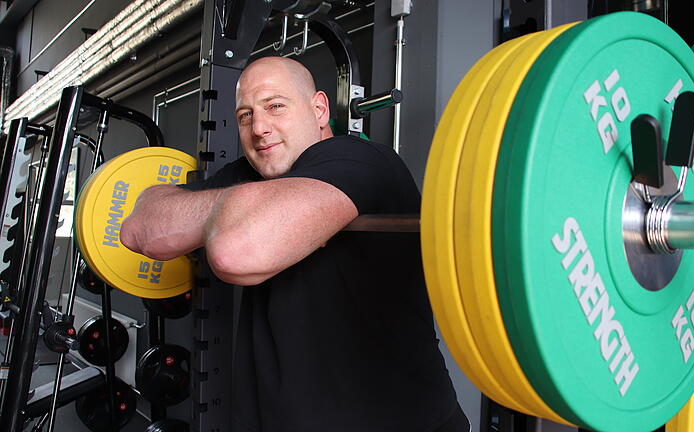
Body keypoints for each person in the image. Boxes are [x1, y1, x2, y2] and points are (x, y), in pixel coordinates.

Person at [121, 56, 468, 432]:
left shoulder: (362, 160)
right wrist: (238, 207)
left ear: (319, 109)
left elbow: (235, 250)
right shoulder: (249, 174)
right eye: (245, 115)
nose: (259, 128)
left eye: (275, 106)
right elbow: (139, 229)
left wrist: (219, 214)